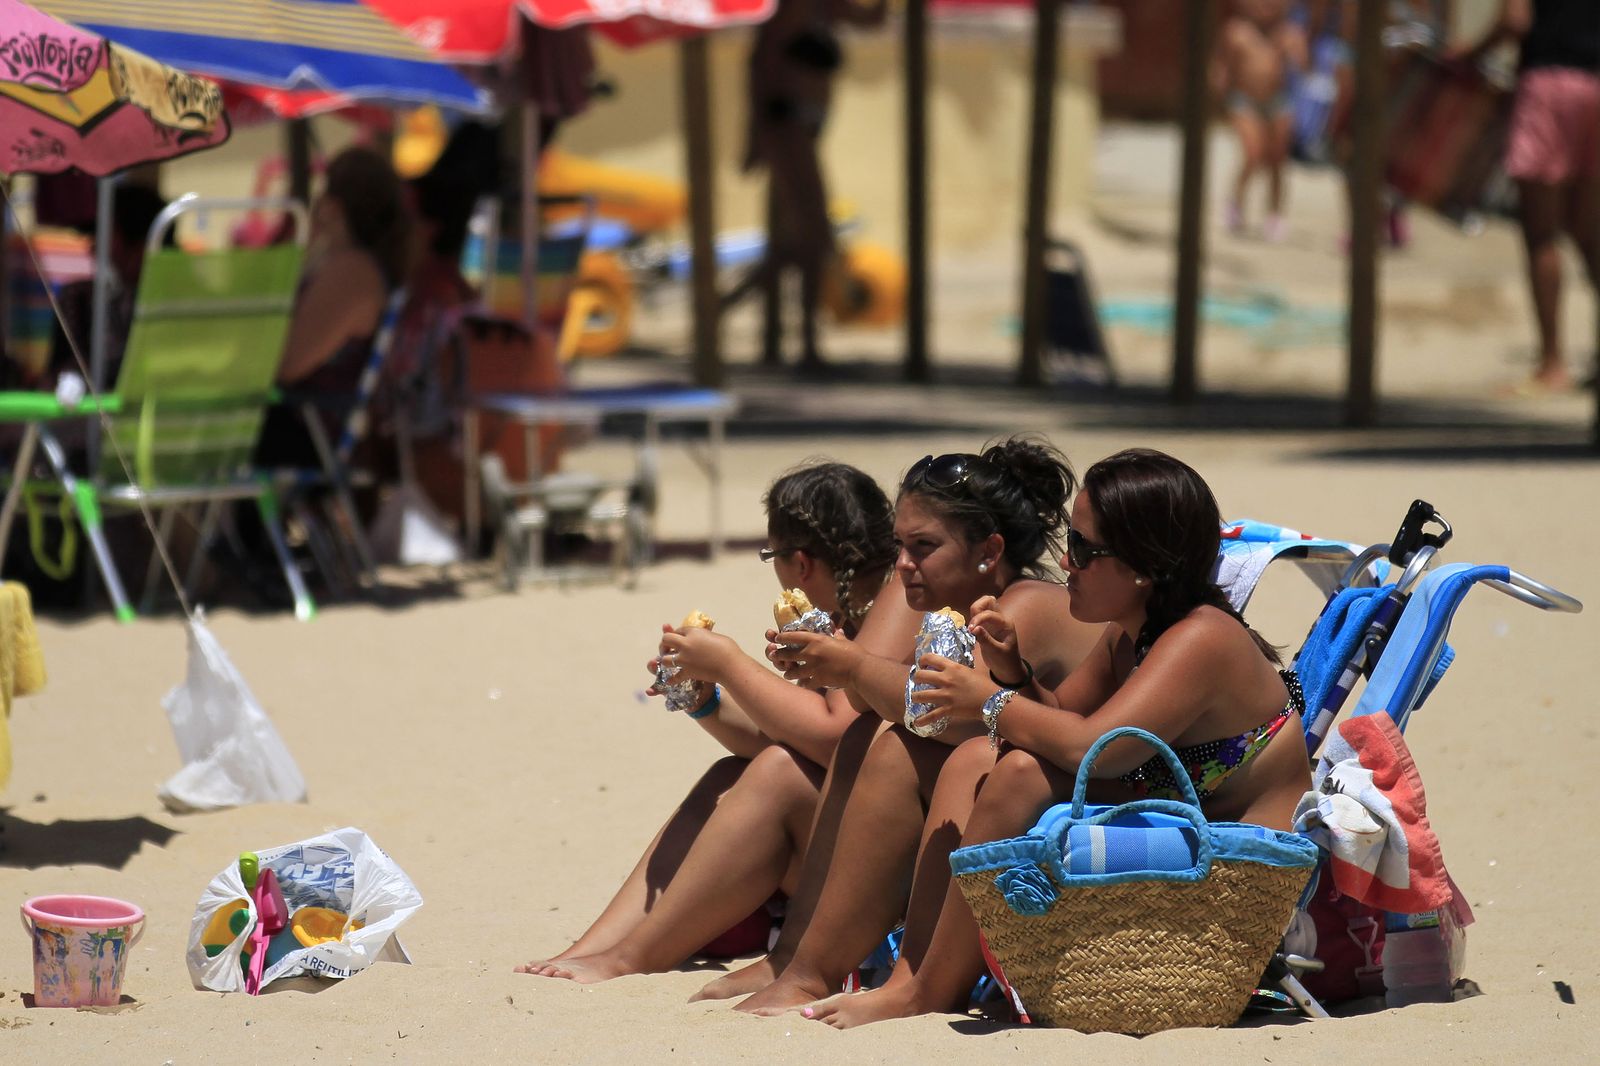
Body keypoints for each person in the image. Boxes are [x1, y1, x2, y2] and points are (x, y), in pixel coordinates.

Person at [761, 448, 1312, 1027]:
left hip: (1237, 868)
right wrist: (1010, 672)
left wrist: (988, 701)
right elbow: (1059, 715)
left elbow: (1096, 747)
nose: (1067, 564)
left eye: (1084, 551)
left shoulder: (1202, 638)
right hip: (1174, 823)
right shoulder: (1130, 634)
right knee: (977, 756)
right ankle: (912, 978)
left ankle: (926, 990)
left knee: (1019, 772)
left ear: (1144, 565)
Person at [714, 439, 1103, 1011]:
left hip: (1083, 794)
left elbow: (935, 708)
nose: (902, 564)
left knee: (890, 743)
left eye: (923, 546)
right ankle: (801, 961)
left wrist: (846, 665)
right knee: (864, 737)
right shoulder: (964, 605)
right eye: (899, 545)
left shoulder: (1026, 605)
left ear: (988, 550)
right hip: (1042, 778)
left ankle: (871, 977)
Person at [514, 460, 909, 981]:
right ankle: (596, 945)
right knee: (734, 773)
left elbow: (834, 738)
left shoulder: (897, 599)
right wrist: (704, 698)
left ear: (801, 564)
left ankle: (629, 957)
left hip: (903, 873)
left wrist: (730, 664)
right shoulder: (851, 618)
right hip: (870, 842)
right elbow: (796, 738)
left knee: (777, 773)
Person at [1454, 0, 1599, 392]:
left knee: (1541, 235)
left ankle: (1552, 362)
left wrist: (1471, 54)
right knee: (1589, 235)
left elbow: (1514, 19)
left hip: (1549, 86)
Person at [736, 0, 888, 369]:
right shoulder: (791, 10)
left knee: (796, 242)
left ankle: (731, 313)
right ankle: (804, 342)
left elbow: (871, 20)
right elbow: (760, 67)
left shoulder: (825, 7)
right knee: (813, 233)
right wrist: (757, 135)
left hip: (802, 129)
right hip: (787, 129)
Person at [253, 146, 411, 469]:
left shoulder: (351, 272)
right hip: (306, 425)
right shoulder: (358, 267)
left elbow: (287, 364)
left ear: (333, 204)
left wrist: (303, 242)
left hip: (305, 432)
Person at [1215, 0, 1308, 241]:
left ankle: (1275, 214)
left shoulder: (1290, 32)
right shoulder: (1237, 32)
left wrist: (1295, 54)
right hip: (1244, 101)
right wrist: (1219, 92)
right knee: (1253, 154)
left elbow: (1306, 70)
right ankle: (1236, 202)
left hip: (1278, 101)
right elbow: (1221, 69)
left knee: (1278, 159)